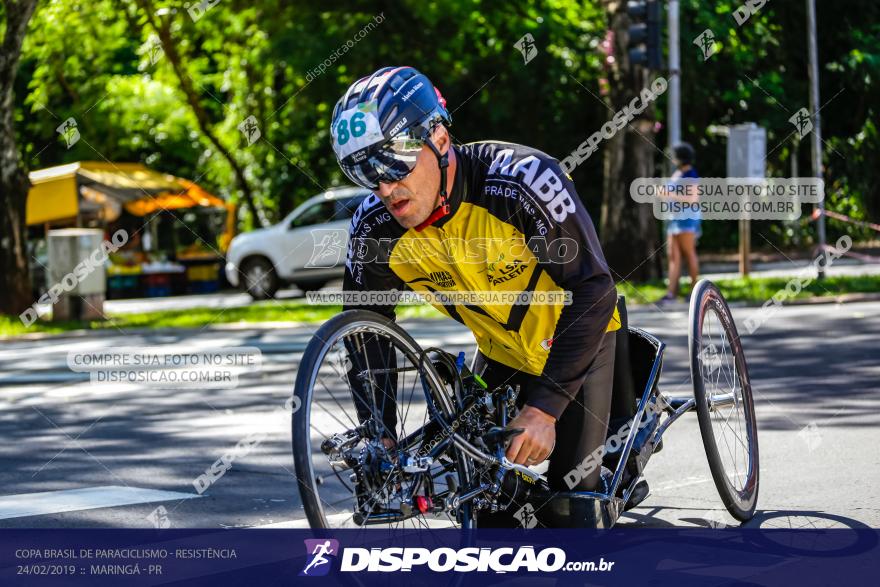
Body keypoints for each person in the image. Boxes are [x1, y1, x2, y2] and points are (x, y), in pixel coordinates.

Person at [330, 66, 627, 525]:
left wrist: (545, 408)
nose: (386, 189)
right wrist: (381, 436)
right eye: (368, 174)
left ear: (440, 140)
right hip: (500, 351)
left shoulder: (520, 181)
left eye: (394, 164)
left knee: (571, 508)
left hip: (578, 341)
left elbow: (593, 288)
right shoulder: (374, 229)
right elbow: (367, 335)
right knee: (484, 502)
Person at [658, 143, 701, 303]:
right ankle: (671, 293)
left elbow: (692, 199)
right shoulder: (677, 173)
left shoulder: (691, 174)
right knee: (673, 256)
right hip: (674, 218)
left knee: (689, 253)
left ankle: (694, 291)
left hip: (686, 219)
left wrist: (670, 194)